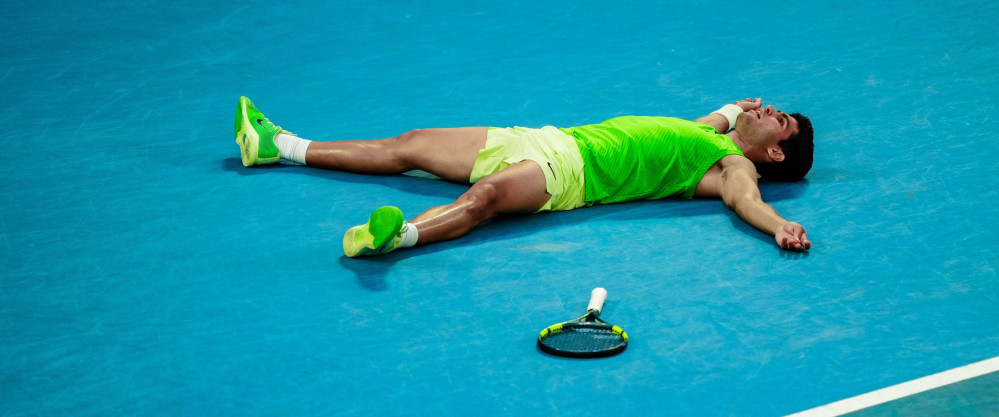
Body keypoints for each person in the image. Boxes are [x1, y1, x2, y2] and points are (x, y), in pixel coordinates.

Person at [234, 96, 814, 258]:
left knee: (483, 199)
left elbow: (746, 202)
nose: (768, 111)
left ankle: (398, 236)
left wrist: (780, 225)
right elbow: (707, 121)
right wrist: (736, 111)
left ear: (777, 157)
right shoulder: (710, 136)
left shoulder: (731, 166)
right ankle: (278, 146)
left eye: (779, 121)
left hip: (569, 176)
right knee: (407, 145)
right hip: (543, 138)